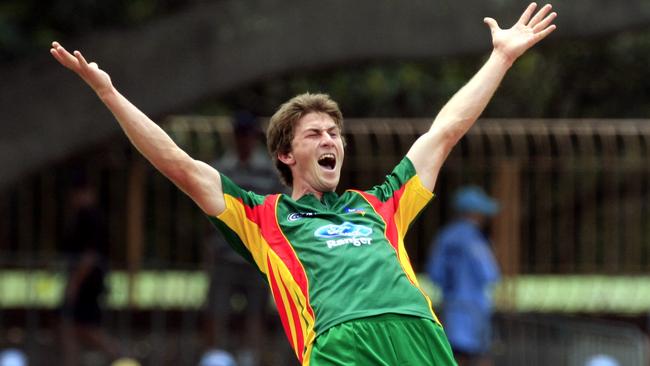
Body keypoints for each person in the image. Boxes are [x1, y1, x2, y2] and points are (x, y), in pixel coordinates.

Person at [50, 3, 556, 364]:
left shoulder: (378, 203)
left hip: (420, 336)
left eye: (335, 132)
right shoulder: (260, 216)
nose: (330, 138)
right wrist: (109, 93)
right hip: (342, 345)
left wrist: (501, 58)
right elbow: (179, 164)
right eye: (315, 133)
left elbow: (444, 132)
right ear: (286, 155)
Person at [203, 111, 284, 365]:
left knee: (256, 314)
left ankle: (251, 359)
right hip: (225, 255)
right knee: (216, 311)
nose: (244, 141)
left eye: (247, 136)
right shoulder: (222, 169)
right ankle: (215, 357)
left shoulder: (269, 171)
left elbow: (278, 209)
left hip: (255, 256)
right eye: (240, 135)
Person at [426, 186, 501, 366]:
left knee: (454, 356)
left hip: (451, 307)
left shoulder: (445, 237)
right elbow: (490, 274)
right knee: (481, 356)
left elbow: (435, 273)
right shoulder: (474, 239)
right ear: (475, 213)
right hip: (475, 308)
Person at [59, 175, 121, 365]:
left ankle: (122, 357)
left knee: (84, 327)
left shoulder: (90, 217)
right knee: (68, 327)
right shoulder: (82, 216)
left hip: (87, 282)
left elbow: (90, 256)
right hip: (84, 280)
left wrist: (75, 283)